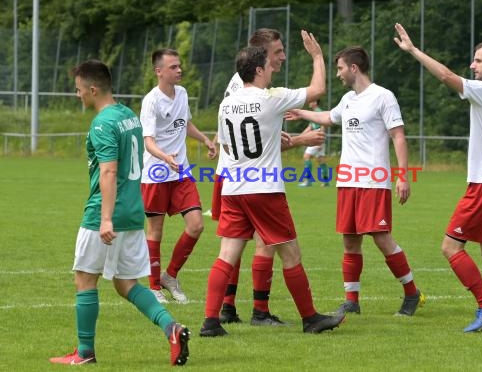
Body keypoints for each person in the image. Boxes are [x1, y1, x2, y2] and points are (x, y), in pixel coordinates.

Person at [200, 36, 345, 337]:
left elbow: (227, 147)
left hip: (233, 188)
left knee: (226, 254)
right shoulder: (271, 97)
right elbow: (317, 90)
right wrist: (317, 57)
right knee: (291, 252)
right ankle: (310, 318)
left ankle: (211, 322)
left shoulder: (226, 103)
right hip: (264, 189)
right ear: (257, 70)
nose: (271, 69)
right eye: (268, 64)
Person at [50, 60, 189, 366]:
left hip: (106, 212)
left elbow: (109, 171)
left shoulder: (102, 123)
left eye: (79, 90)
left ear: (93, 89)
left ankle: (84, 352)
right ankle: (172, 328)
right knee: (126, 285)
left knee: (84, 280)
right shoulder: (128, 116)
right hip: (133, 213)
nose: (78, 96)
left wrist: (105, 218)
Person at [394, 23, 482, 332]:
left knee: (451, 247)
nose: (472, 65)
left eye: (478, 60)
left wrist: (413, 51)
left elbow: (447, 77)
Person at [286, 46, 425, 317]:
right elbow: (328, 118)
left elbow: (398, 136)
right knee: (350, 241)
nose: (337, 73)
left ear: (353, 68)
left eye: (339, 68)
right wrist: (302, 114)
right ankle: (352, 299)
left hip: (373, 180)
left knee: (381, 238)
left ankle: (411, 293)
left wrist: (402, 177)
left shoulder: (383, 96)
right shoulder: (348, 99)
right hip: (348, 180)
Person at [140, 48, 217, 305]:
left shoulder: (182, 93)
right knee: (155, 231)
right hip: (156, 172)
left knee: (196, 225)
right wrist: (165, 157)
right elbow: (148, 141)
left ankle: (170, 276)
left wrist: (205, 139)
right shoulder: (151, 101)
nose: (179, 70)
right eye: (173, 67)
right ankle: (153, 287)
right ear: (159, 71)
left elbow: (185, 124)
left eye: (179, 66)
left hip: (180, 171)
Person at [298, 100, 330, 187]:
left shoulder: (318, 112)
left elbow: (323, 125)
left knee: (306, 156)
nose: (309, 102)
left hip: (317, 135)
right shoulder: (314, 113)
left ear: (315, 102)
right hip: (318, 135)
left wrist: (320, 139)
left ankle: (308, 181)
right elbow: (310, 127)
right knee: (321, 159)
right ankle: (326, 181)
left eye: (311, 101)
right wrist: (299, 137)